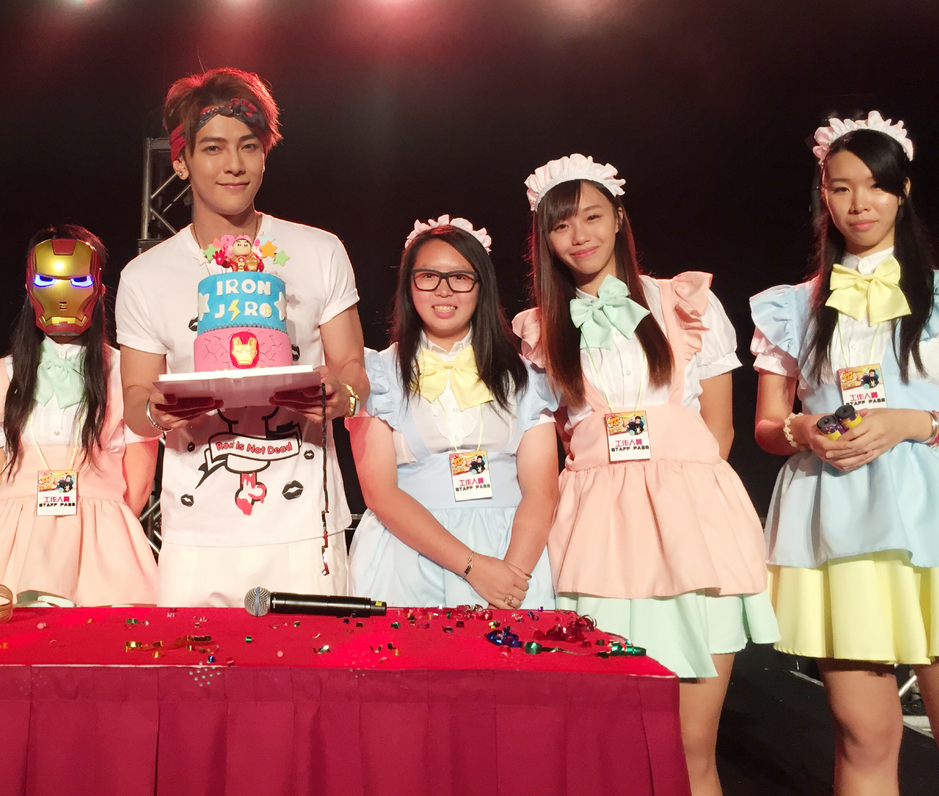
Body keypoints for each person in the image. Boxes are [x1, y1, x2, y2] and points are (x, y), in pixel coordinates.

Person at [515, 154, 777, 796]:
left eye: (592, 217)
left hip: (690, 527)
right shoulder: (538, 329)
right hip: (596, 536)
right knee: (608, 747)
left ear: (619, 219)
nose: (579, 235)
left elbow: (720, 432)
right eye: (561, 225)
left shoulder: (684, 301)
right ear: (545, 239)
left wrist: (679, 498)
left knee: (691, 746)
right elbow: (550, 440)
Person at [116, 68, 369, 606]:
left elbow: (353, 372)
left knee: (312, 662)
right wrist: (157, 411)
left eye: (248, 146)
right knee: (192, 663)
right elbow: (135, 404)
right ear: (181, 161)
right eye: (213, 148)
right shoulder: (145, 276)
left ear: (264, 155)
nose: (234, 164)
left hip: (306, 526)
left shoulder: (320, 251)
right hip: (196, 533)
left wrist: (341, 396)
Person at [752, 112, 939, 792]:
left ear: (903, 191)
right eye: (841, 187)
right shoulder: (792, 306)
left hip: (931, 518)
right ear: (824, 197)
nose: (859, 203)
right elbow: (768, 425)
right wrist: (804, 431)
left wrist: (913, 422)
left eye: (875, 185)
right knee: (866, 734)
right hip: (838, 521)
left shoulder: (937, 293)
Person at [346, 215, 559, 610]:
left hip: (512, 559)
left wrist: (511, 578)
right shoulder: (377, 374)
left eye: (460, 277)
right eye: (428, 276)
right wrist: (473, 567)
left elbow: (542, 491)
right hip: (411, 560)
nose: (444, 290)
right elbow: (379, 493)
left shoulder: (526, 376)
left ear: (481, 287)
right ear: (409, 286)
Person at [0, 225, 159, 605]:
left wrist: (99, 525)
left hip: (104, 547)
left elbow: (139, 484)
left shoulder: (126, 375)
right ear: (29, 286)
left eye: (78, 280)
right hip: (12, 546)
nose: (63, 293)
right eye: (46, 279)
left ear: (99, 287)